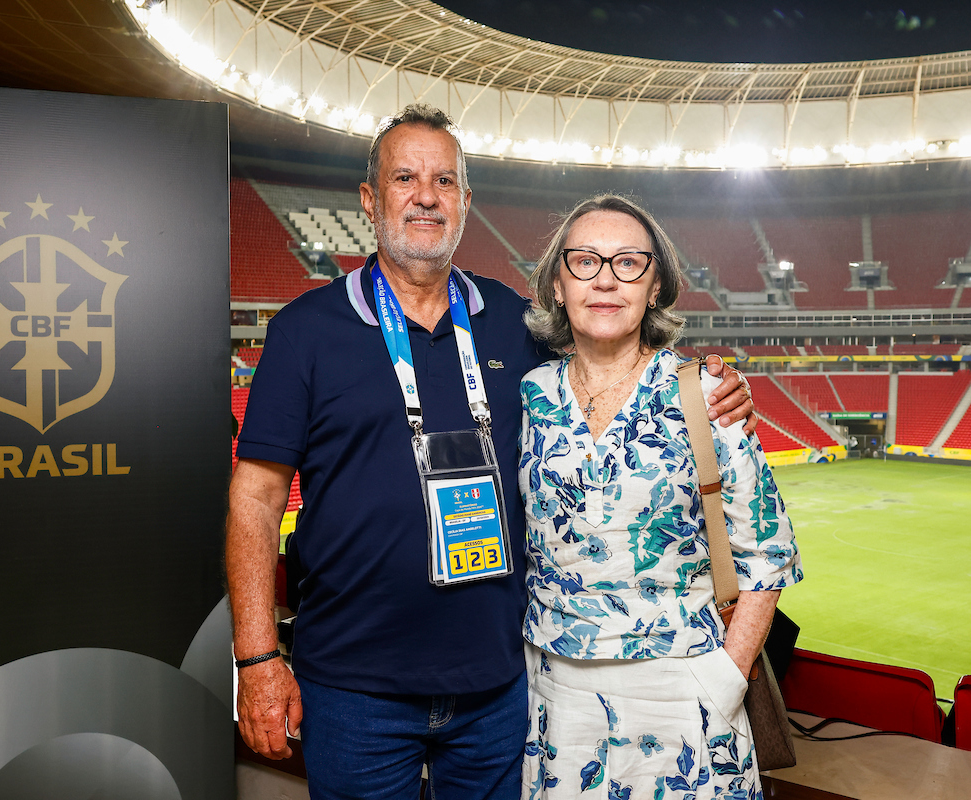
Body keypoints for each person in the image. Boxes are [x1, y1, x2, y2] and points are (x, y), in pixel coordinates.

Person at [226, 105, 755, 799]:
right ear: (369, 198)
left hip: (502, 685)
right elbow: (257, 501)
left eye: (445, 181)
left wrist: (709, 380)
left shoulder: (514, 321)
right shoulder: (306, 330)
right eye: (405, 178)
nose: (425, 196)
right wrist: (258, 658)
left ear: (466, 202)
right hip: (355, 685)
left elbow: (612, 352)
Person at [518, 195, 802, 799]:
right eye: (585, 261)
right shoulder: (530, 394)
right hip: (554, 699)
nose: (605, 280)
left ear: (655, 288)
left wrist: (725, 677)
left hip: (683, 698)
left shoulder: (705, 393)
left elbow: (767, 553)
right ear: (557, 283)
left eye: (629, 263)